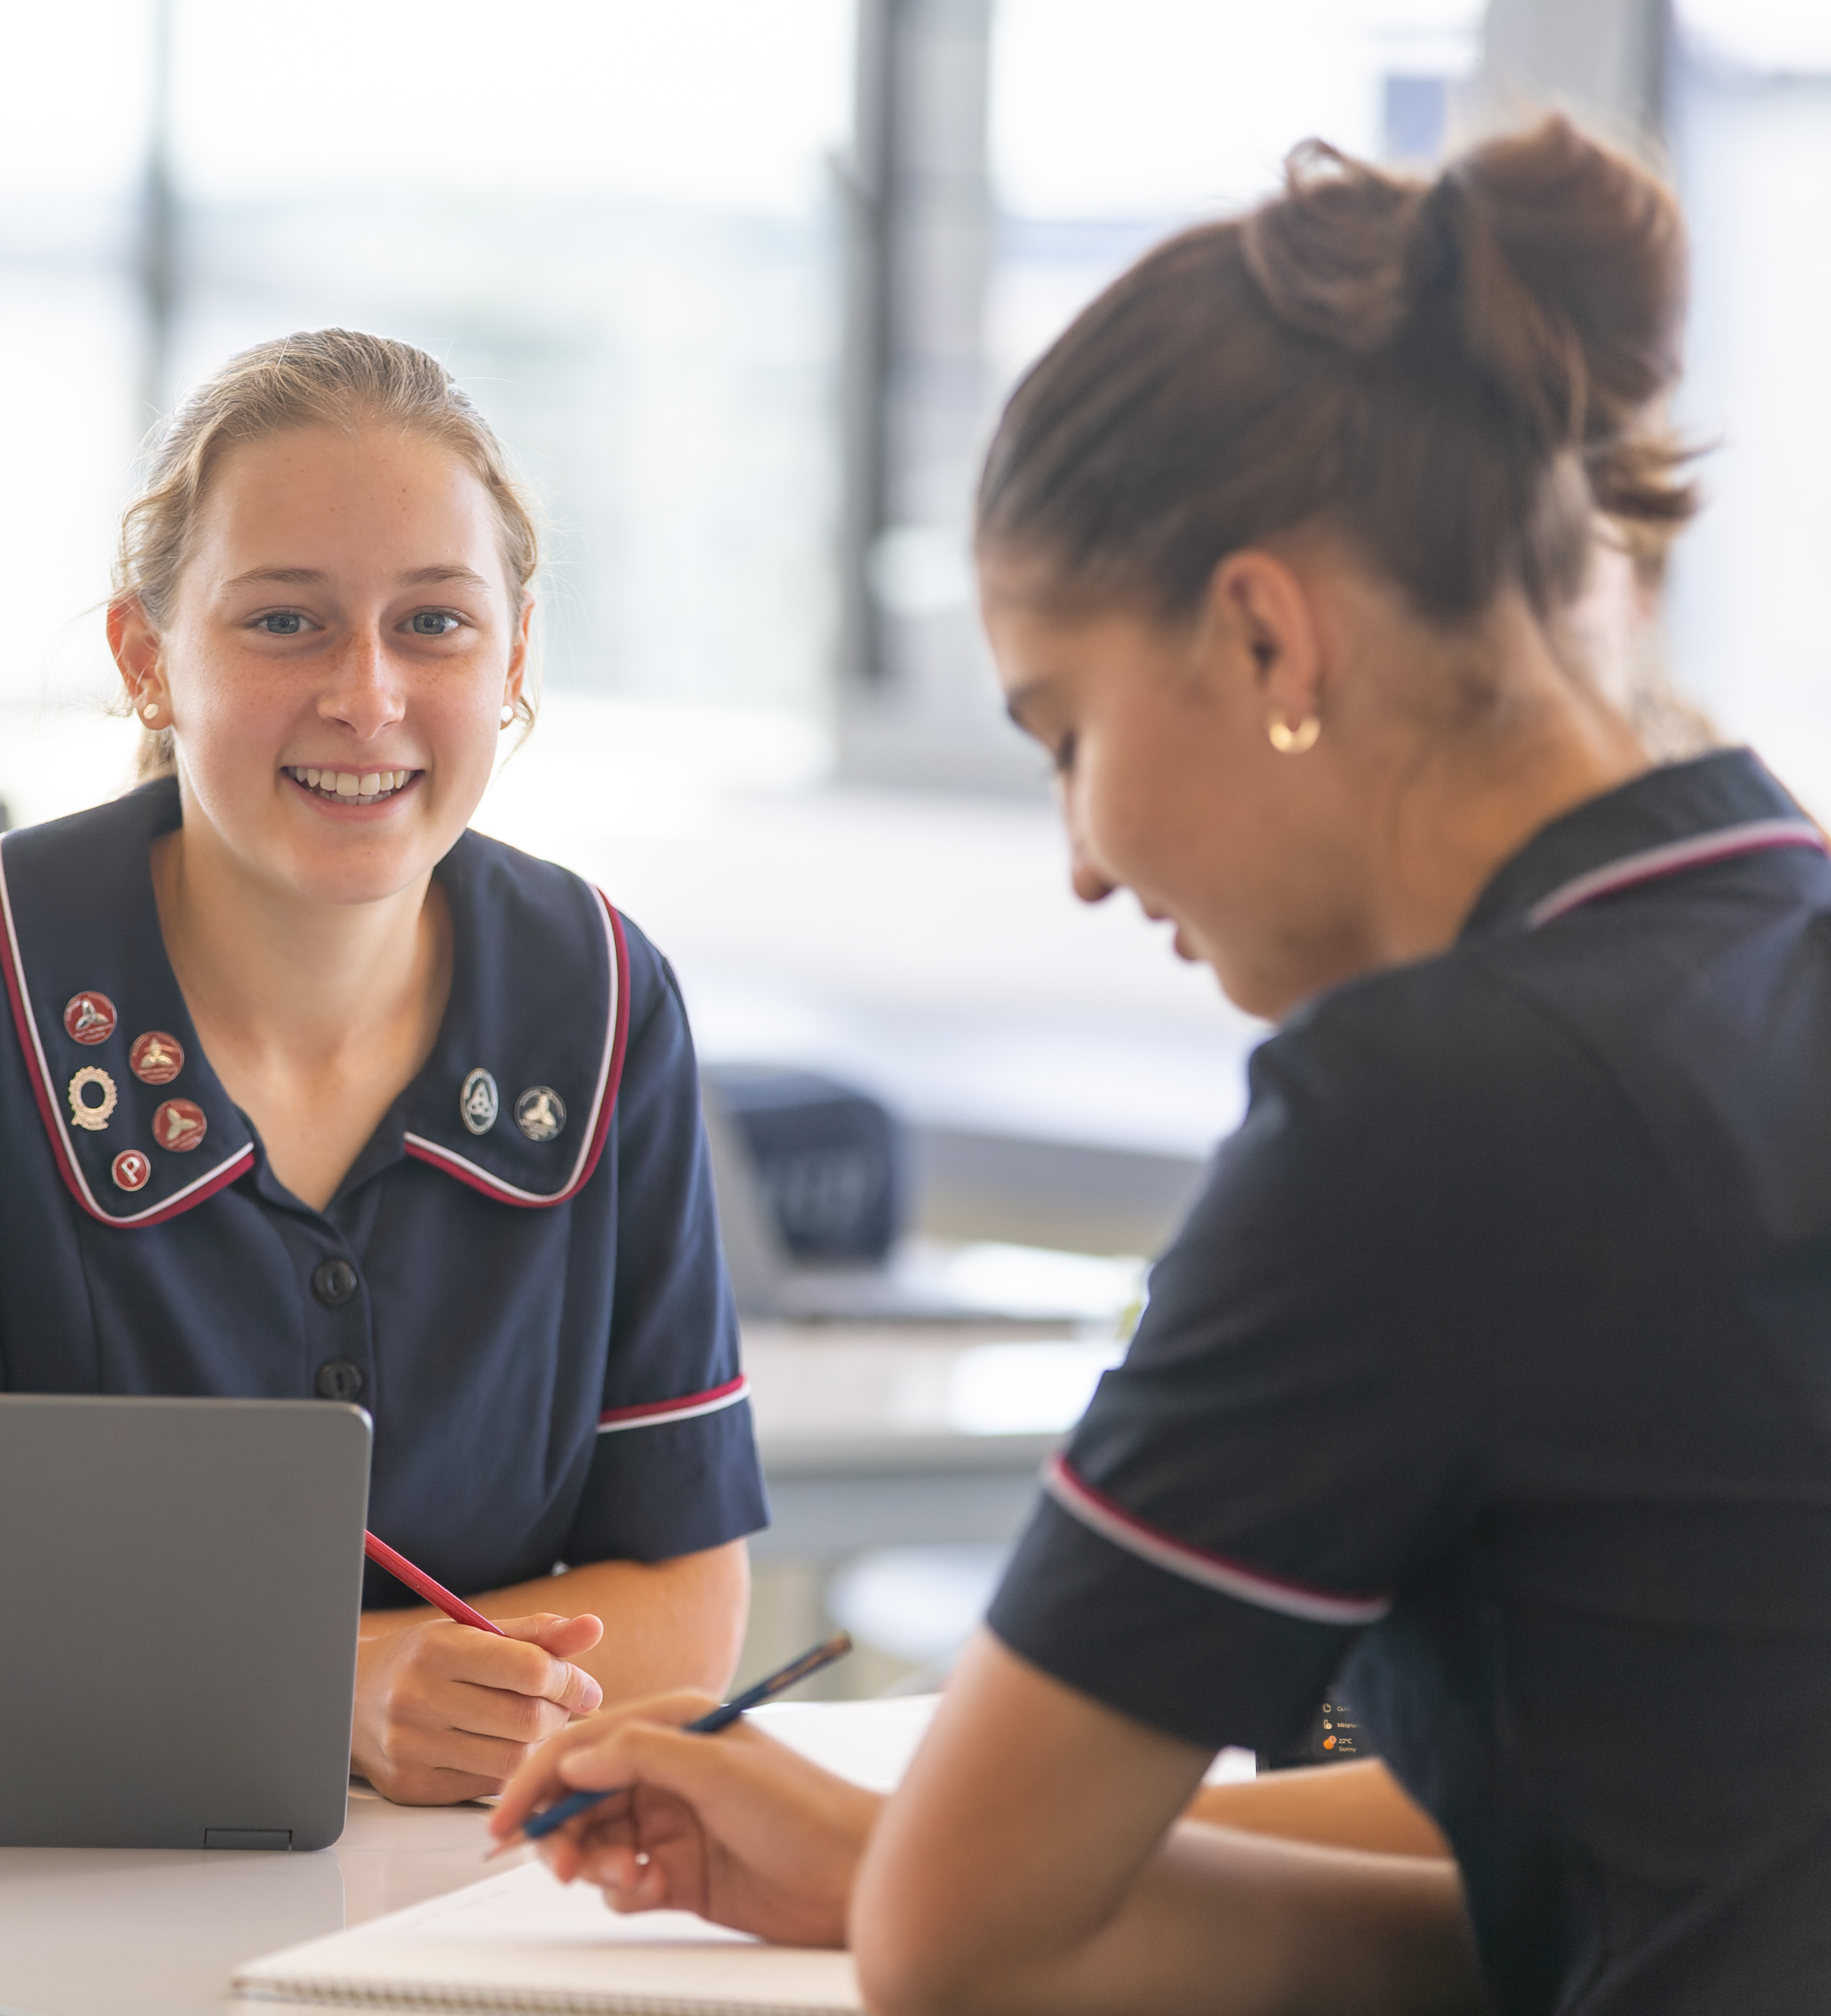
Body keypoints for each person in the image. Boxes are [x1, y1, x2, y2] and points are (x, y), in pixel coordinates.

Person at [494, 118, 1831, 2014]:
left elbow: (969, 1954)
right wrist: (906, 1856)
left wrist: (937, 1870)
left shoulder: (1422, 1115)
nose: (1086, 859)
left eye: (1065, 730)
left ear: (1269, 634)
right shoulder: (1776, 936)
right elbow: (1624, 1842)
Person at [0, 330, 766, 1804]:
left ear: (517, 658)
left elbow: (690, 1592)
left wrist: (439, 1703)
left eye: (435, 624)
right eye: (286, 623)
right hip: (37, 1888)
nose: (368, 698)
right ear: (146, 657)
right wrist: (326, 1686)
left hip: (462, 1910)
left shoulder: (604, 997)